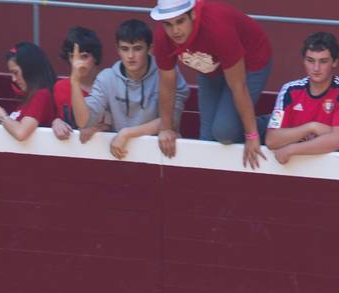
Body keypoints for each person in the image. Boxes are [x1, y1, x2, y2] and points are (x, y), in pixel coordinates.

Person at [149, 0, 273, 169]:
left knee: (224, 133)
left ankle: (268, 125)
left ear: (192, 15)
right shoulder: (162, 37)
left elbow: (238, 86)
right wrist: (165, 128)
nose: (175, 31)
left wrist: (251, 135)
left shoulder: (217, 29)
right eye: (168, 24)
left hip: (250, 62)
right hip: (210, 66)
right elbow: (167, 84)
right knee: (207, 139)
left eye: (180, 21)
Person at [70, 18, 189, 160]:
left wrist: (127, 133)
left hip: (161, 155)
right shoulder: (107, 78)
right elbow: (84, 121)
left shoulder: (167, 72)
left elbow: (170, 120)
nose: (130, 56)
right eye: (125, 49)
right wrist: (75, 81)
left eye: (137, 48)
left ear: (150, 49)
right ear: (118, 50)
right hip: (121, 155)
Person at [264, 31, 339, 165]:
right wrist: (311, 127)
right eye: (310, 61)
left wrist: (291, 149)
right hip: (293, 171)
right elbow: (272, 140)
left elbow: (337, 140)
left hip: (333, 169)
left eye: (323, 61)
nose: (316, 68)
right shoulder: (290, 90)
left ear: (335, 62)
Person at [0, 42, 57, 141]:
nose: (14, 79)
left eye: (16, 73)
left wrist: (0, 115)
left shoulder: (42, 95)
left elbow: (21, 133)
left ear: (30, 70)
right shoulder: (32, 97)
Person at [52, 26, 107, 140]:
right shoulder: (60, 87)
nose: (78, 63)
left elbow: (117, 124)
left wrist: (97, 129)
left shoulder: (108, 83)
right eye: (73, 57)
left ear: (95, 57)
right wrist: (56, 122)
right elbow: (55, 117)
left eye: (84, 56)